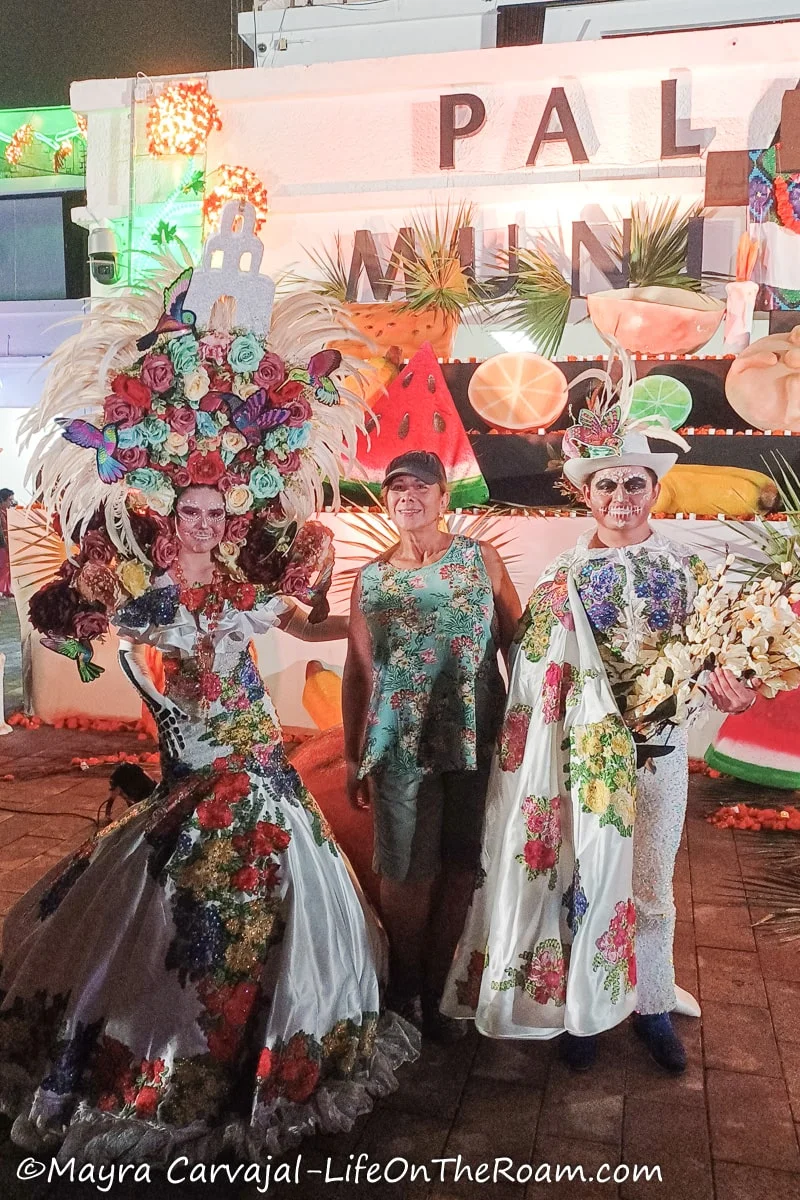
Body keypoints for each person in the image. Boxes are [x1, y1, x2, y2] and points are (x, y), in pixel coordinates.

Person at [0, 245, 418, 1163]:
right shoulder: (145, 604)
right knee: (182, 933)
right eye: (189, 512)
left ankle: (292, 1045)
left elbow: (302, 614)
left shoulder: (244, 586)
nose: (204, 523)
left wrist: (359, 613)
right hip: (199, 787)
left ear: (228, 516)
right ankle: (172, 1061)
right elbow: (121, 654)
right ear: (167, 515)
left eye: (215, 512)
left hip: (263, 778)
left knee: (295, 917)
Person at [442, 356, 754, 1074]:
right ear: (588, 495)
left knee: (650, 885)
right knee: (584, 880)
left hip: (660, 756)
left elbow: (713, 657)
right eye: (606, 484)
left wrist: (728, 687)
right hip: (587, 766)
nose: (621, 497)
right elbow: (534, 673)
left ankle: (647, 1005)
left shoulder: (689, 572)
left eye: (634, 483)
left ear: (655, 489)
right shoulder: (564, 578)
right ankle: (584, 1006)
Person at [343, 450, 521, 1041]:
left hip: (480, 732)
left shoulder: (481, 560)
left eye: (423, 487)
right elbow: (356, 669)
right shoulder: (372, 578)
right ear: (386, 500)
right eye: (397, 489)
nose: (408, 497)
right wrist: (351, 751)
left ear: (446, 498)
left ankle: (446, 987)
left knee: (464, 861)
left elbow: (518, 646)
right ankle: (405, 988)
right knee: (405, 870)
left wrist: (536, 729)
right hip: (400, 744)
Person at [0, 488, 16, 598]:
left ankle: (6, 590)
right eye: (10, 500)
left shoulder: (7, 513)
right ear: (2, 501)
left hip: (5, 545)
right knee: (4, 567)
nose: (11, 503)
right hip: (2, 545)